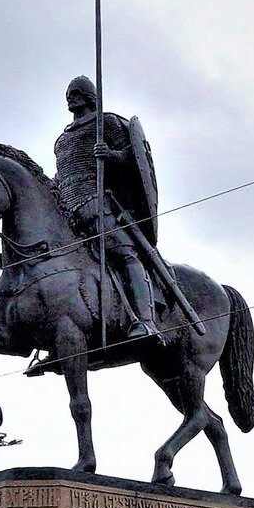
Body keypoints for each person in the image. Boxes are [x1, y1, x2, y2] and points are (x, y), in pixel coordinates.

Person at [53, 75, 160, 340]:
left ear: (89, 96)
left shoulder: (107, 124)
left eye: (76, 92)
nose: (70, 97)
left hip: (99, 207)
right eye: (68, 93)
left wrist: (111, 156)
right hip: (70, 216)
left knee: (125, 256)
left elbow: (135, 157)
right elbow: (62, 175)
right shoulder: (61, 141)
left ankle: (146, 321)